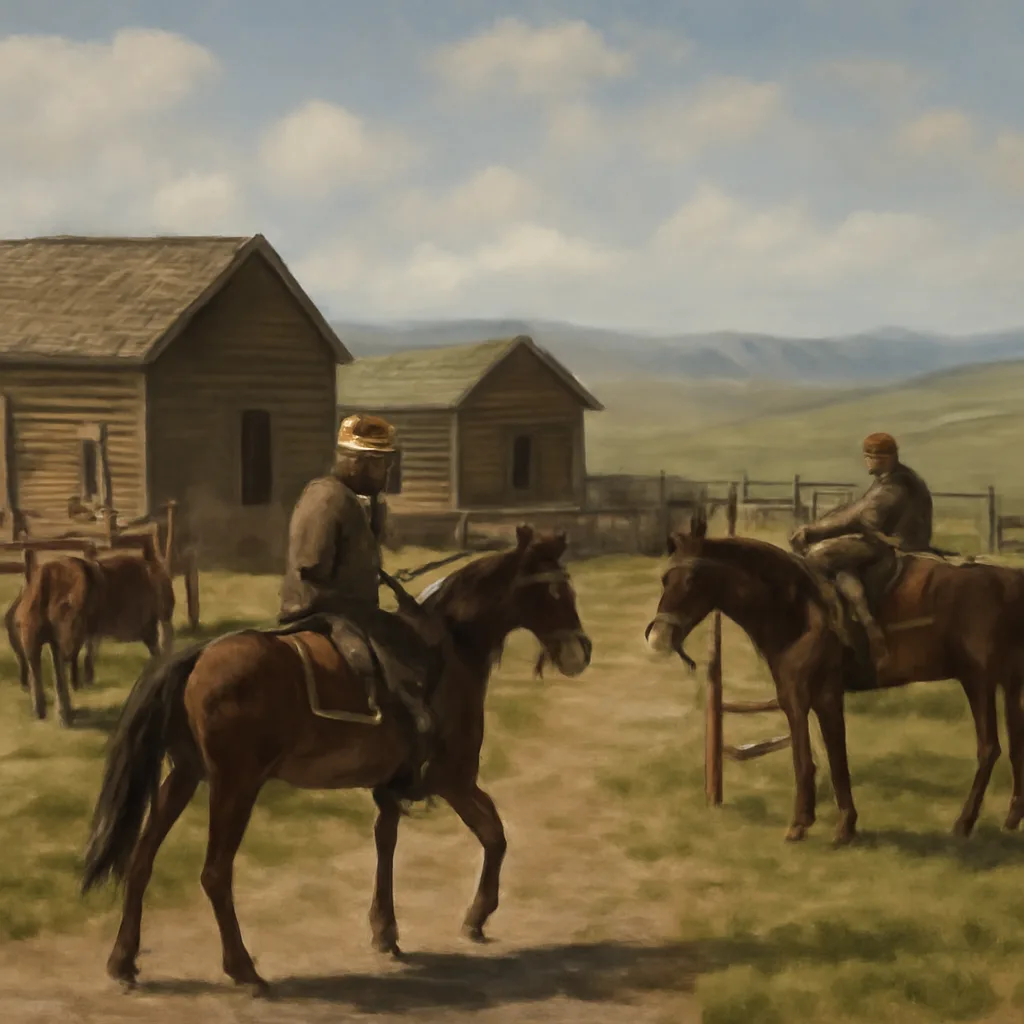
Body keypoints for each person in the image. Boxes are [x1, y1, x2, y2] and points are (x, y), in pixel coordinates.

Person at [278, 413, 439, 797]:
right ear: (357, 463)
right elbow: (312, 569)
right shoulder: (327, 498)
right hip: (320, 611)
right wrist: (362, 607)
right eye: (381, 463)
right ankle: (403, 740)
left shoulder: (356, 500)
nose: (387, 472)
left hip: (348, 608)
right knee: (399, 655)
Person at [789, 432, 933, 672]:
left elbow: (863, 516)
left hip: (896, 544)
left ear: (887, 458)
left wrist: (812, 531)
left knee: (818, 556)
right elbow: (856, 509)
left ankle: (859, 623)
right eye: (866, 455)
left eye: (872, 456)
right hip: (884, 539)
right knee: (835, 556)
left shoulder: (898, 484)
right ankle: (861, 618)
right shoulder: (888, 480)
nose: (867, 460)